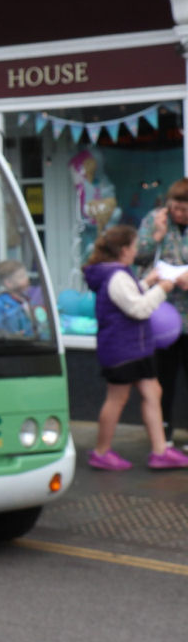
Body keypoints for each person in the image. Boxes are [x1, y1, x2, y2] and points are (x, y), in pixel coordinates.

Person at [82, 225, 188, 471]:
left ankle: (160, 451)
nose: (136, 250)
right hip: (122, 349)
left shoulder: (118, 274)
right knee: (117, 399)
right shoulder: (116, 276)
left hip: (135, 346)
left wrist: (148, 281)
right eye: (134, 245)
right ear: (123, 249)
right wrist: (162, 288)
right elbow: (138, 308)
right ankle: (101, 451)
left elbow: (128, 296)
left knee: (153, 392)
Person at [136, 178, 188, 446]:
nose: (178, 214)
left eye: (184, 209)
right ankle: (163, 433)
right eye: (175, 208)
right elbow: (137, 257)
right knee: (163, 377)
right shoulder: (155, 219)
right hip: (163, 318)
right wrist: (155, 235)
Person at [0, 259, 37, 336]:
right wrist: (11, 336)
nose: (27, 279)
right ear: (8, 283)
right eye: (21, 277)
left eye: (26, 275)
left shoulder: (28, 300)